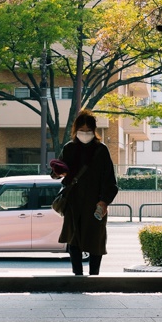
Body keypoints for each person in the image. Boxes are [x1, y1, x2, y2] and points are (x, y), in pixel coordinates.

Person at [51, 110, 119, 276]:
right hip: (73, 203)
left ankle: (94, 276)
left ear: (94, 130)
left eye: (88, 130)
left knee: (96, 240)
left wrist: (103, 202)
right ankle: (77, 276)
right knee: (74, 240)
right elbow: (55, 173)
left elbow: (110, 180)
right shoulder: (69, 148)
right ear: (75, 130)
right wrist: (59, 172)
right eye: (82, 130)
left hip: (95, 203)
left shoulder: (101, 150)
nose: (85, 134)